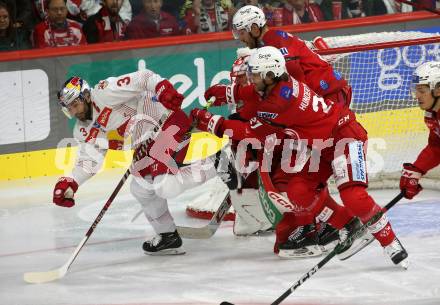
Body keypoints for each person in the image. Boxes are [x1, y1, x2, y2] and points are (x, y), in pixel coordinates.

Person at [196, 46, 409, 268]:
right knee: (299, 192)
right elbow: (254, 93)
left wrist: (209, 122)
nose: (251, 79)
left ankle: (391, 243)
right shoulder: (279, 85)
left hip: (346, 137)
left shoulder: (277, 104)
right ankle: (349, 225)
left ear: (270, 75)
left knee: (353, 194)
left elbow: (249, 132)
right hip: (322, 147)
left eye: (256, 75)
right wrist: (229, 92)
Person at [53, 70, 218, 255]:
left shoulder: (105, 92)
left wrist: (164, 90)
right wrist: (71, 182)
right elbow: (89, 161)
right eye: (70, 108)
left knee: (165, 186)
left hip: (167, 123)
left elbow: (144, 78)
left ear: (86, 96)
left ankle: (218, 164)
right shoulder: (82, 131)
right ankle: (168, 236)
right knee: (140, 188)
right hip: (145, 146)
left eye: (75, 104)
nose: (74, 111)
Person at [231, 5, 350, 108]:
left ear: (254, 29)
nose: (240, 38)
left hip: (330, 95)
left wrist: (301, 104)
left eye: (242, 33)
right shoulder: (271, 41)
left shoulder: (274, 40)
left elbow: (294, 71)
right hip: (326, 94)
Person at [400, 61, 440, 200]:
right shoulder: (432, 114)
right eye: (416, 90)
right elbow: (436, 147)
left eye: (422, 91)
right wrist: (417, 169)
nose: (417, 96)